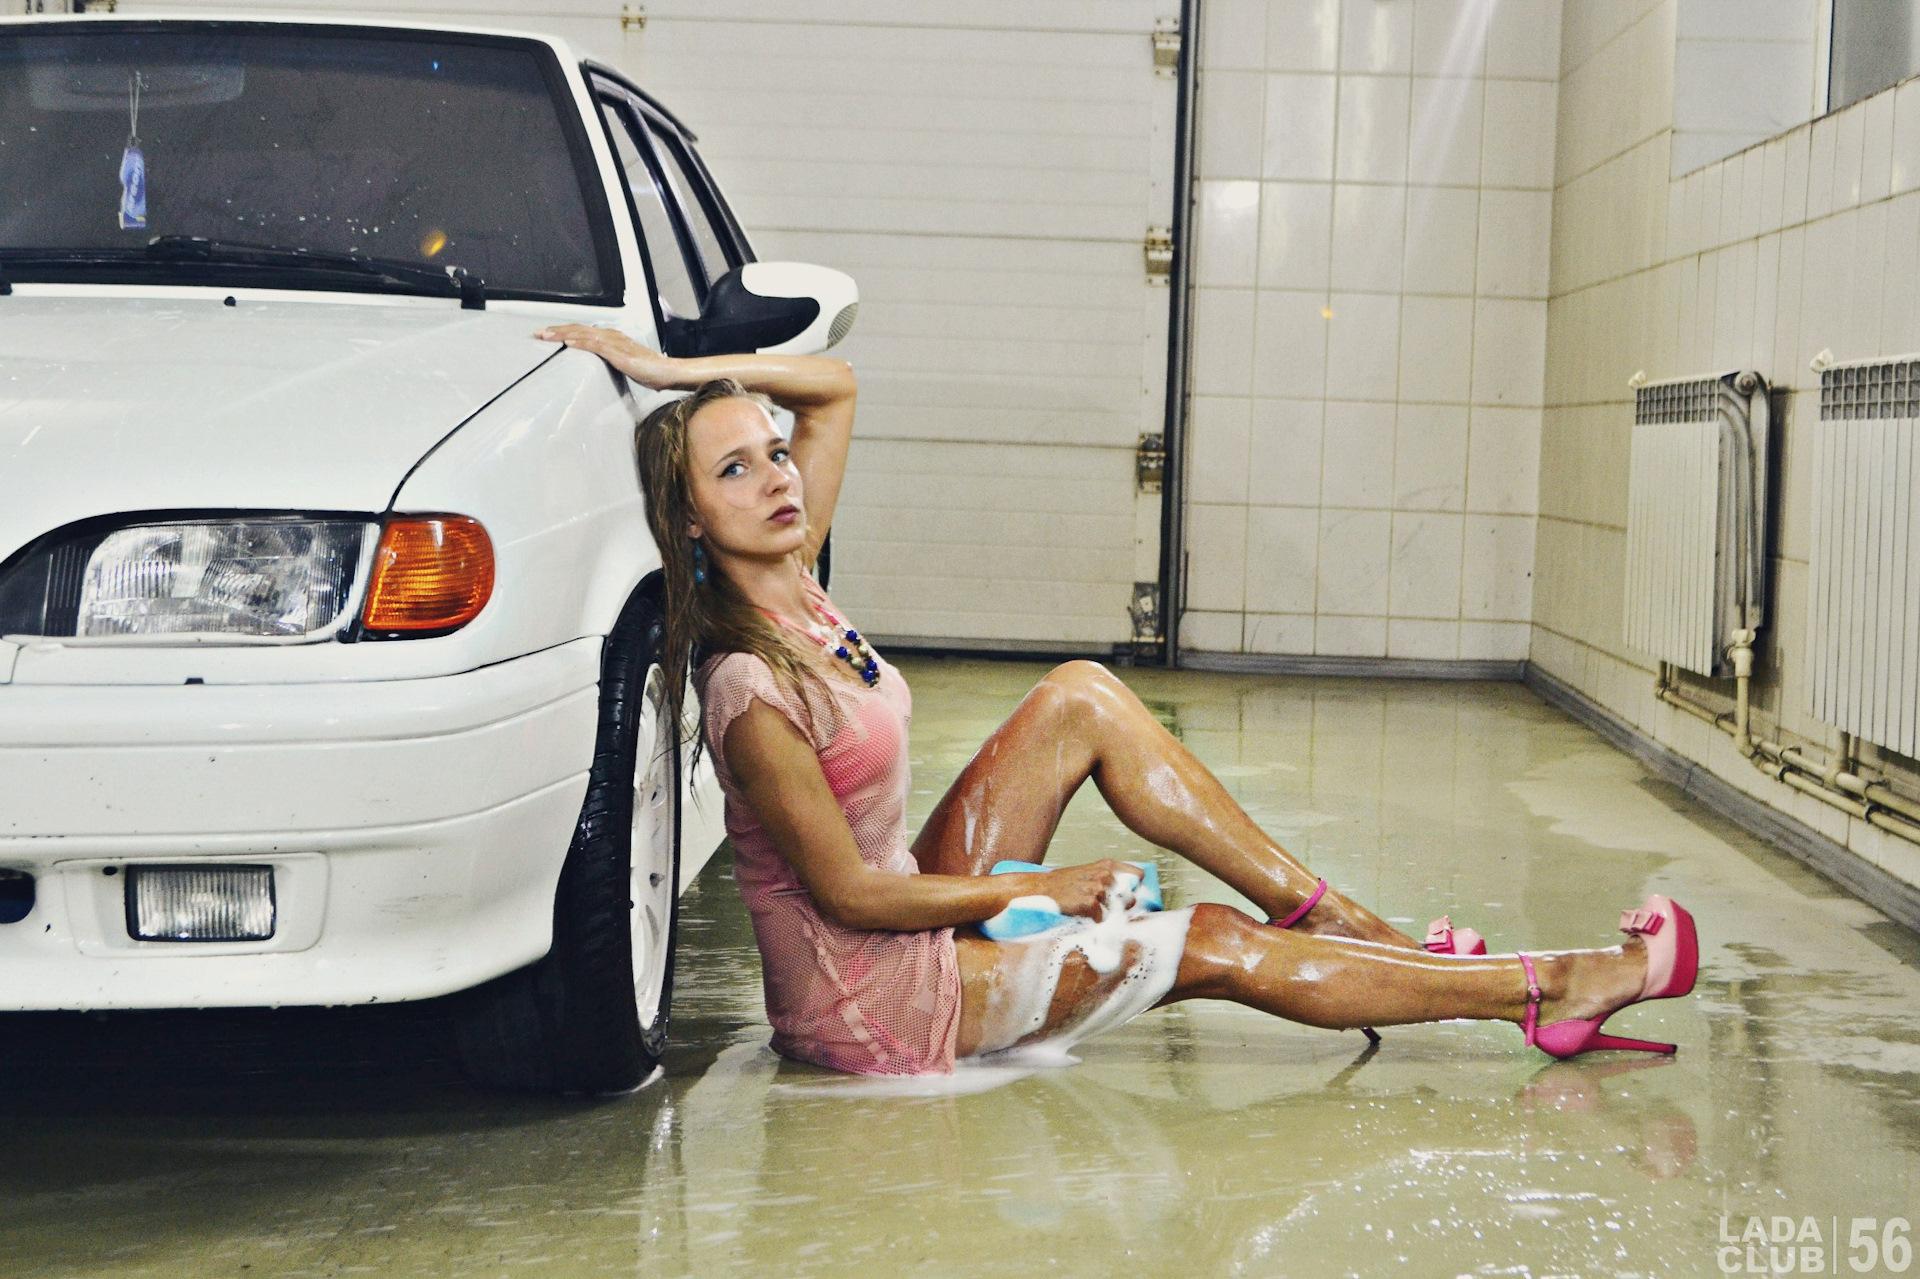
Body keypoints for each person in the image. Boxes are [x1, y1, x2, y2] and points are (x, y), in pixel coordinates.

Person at [533, 323, 1702, 1077]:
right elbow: (848, 894)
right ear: (691, 520)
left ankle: (1352, 929)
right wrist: (1039, 890)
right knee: (1208, 942)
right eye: (734, 470)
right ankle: (1546, 987)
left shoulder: (795, 570)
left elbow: (832, 386)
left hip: (907, 921)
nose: (777, 477)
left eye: (773, 453)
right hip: (874, 999)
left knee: (1081, 696)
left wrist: (681, 379)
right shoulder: (746, 683)